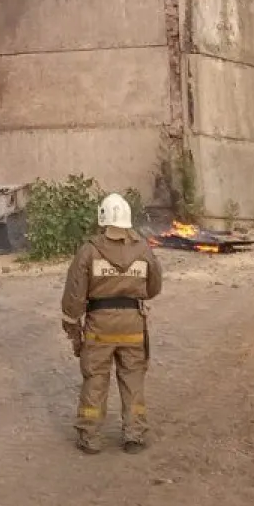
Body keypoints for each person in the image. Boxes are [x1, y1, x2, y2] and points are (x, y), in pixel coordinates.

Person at [60, 193, 163, 454]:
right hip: (133, 326)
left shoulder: (89, 251)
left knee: (95, 380)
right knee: (133, 380)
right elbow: (153, 287)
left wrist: (73, 327)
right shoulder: (143, 249)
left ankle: (90, 438)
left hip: (99, 327)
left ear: (103, 219)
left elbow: (74, 295)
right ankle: (135, 435)